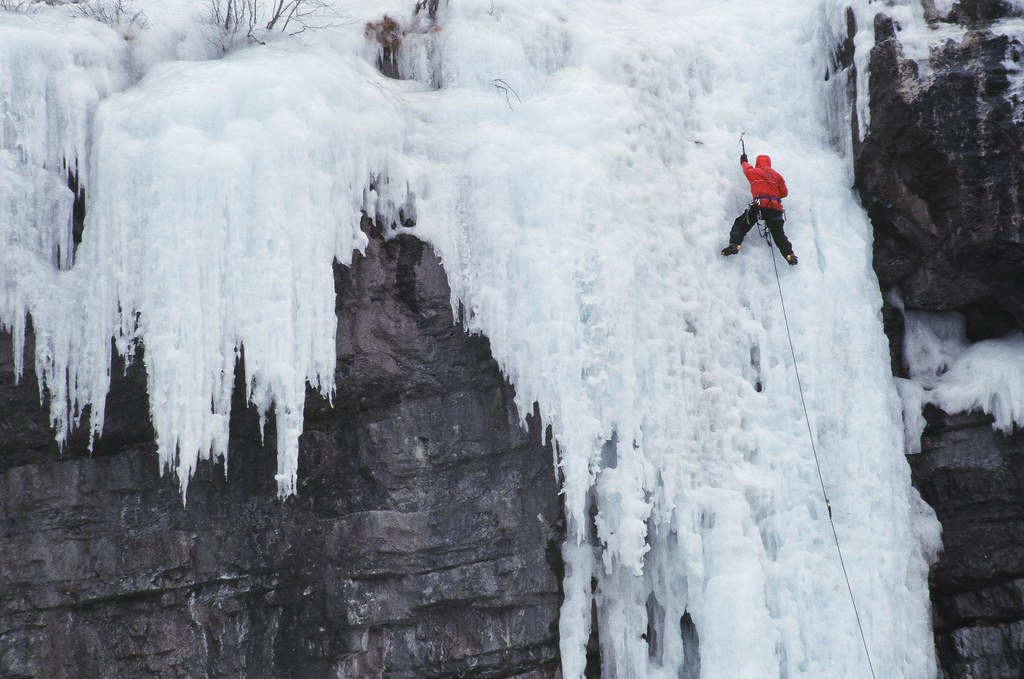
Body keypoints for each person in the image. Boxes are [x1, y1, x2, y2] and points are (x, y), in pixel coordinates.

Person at [720, 153, 797, 265]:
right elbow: (784, 193)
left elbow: (746, 169)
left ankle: (735, 244)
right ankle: (790, 256)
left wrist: (743, 160)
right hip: (775, 209)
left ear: (757, 163)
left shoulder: (754, 172)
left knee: (741, 224)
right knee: (779, 235)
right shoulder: (777, 176)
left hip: (759, 205)